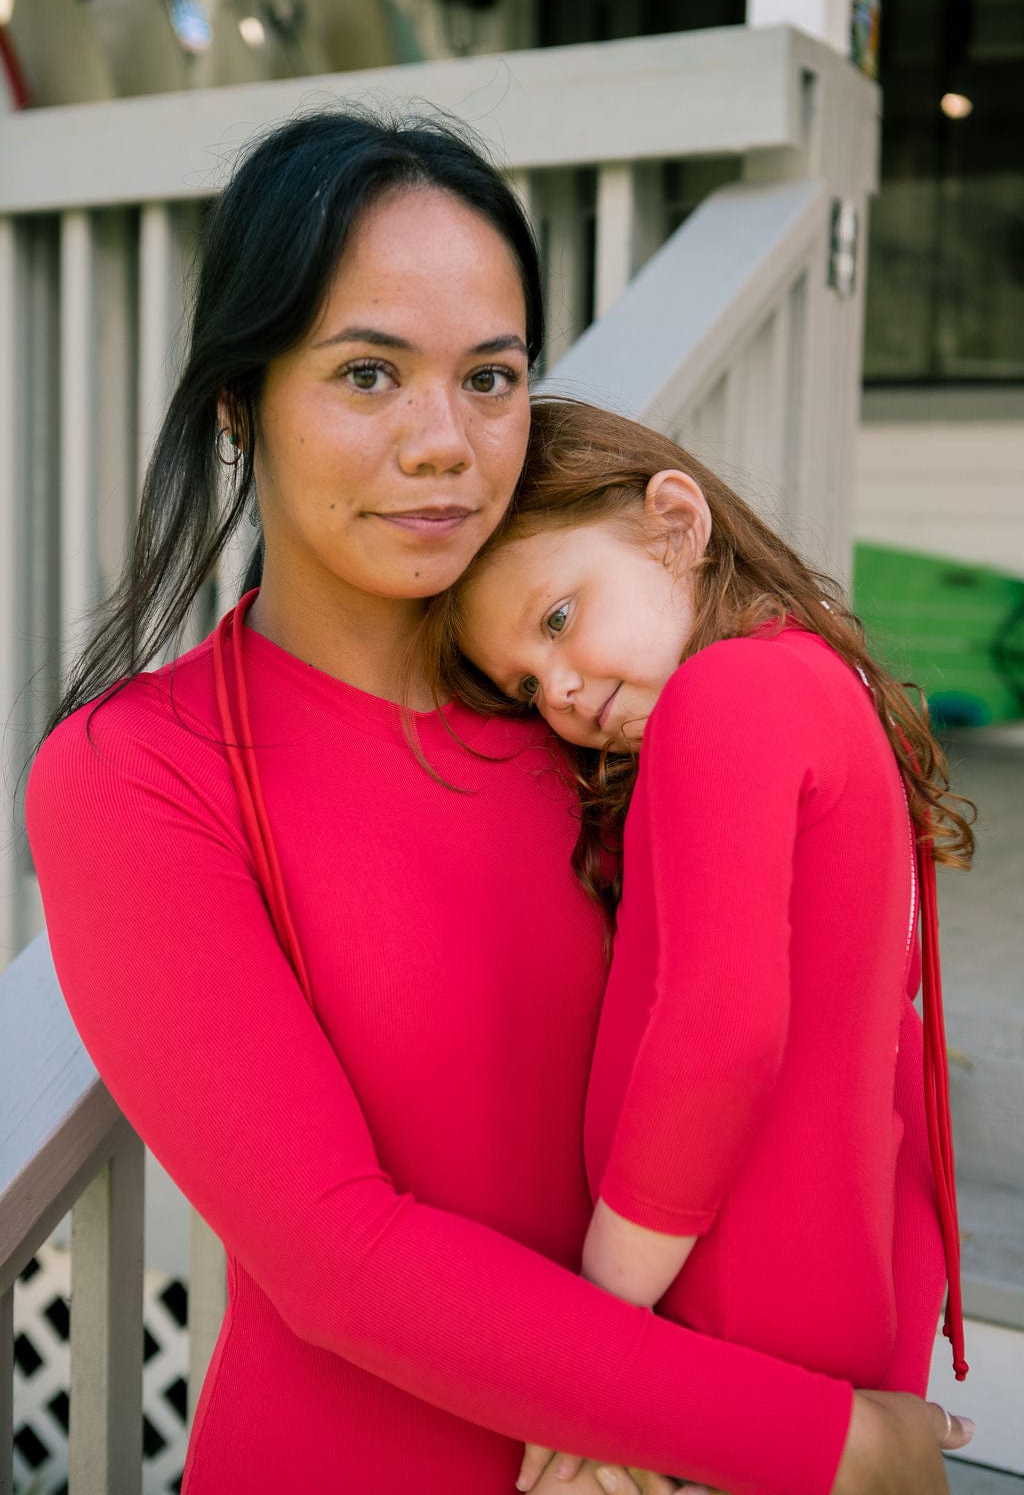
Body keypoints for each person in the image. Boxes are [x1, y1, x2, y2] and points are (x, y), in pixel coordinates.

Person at [25, 109, 971, 1495]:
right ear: (240, 401)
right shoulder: (143, 774)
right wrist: (827, 1445)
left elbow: (839, 1040)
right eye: (367, 373)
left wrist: (859, 1384)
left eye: (491, 376)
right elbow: (339, 1260)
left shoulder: (604, 713)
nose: (445, 444)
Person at [435, 395, 975, 1490]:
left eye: (555, 620)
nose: (564, 694)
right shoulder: (821, 685)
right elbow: (887, 1051)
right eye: (528, 687)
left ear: (676, 523)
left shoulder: (719, 699)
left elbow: (719, 1035)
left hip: (731, 1312)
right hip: (829, 1298)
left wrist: (601, 1326)